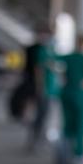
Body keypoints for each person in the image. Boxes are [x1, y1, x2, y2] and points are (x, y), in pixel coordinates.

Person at [25, 23, 59, 151]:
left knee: (45, 115)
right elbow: (38, 70)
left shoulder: (51, 49)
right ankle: (34, 141)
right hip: (44, 88)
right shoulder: (41, 50)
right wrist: (41, 87)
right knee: (40, 115)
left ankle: (41, 138)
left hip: (50, 89)